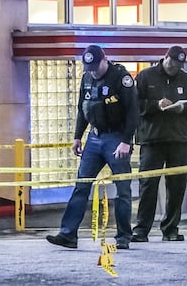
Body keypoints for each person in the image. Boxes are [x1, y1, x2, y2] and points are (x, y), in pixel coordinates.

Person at [46, 45, 138, 250]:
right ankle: (68, 234)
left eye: (96, 66)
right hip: (94, 138)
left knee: (122, 188)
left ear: (105, 60)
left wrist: (126, 140)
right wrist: (77, 137)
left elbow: (133, 112)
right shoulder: (87, 77)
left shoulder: (121, 78)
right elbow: (82, 108)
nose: (93, 71)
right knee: (81, 185)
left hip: (117, 137)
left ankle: (123, 236)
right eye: (89, 67)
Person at [131, 45, 187, 242]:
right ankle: (141, 229)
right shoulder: (145, 77)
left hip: (179, 139)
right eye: (172, 63)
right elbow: (133, 105)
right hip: (152, 140)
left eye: (178, 65)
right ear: (165, 58)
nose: (174, 68)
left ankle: (171, 228)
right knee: (148, 185)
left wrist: (183, 109)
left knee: (177, 185)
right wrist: (155, 105)